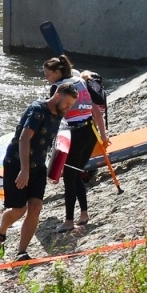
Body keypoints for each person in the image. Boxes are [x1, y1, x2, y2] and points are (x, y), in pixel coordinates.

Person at [0, 81, 79, 260]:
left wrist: (56, 168)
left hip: (38, 166)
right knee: (18, 210)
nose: (68, 108)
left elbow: (51, 143)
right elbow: (24, 139)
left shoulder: (59, 114)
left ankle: (21, 252)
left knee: (36, 206)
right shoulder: (37, 110)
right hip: (17, 164)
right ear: (57, 96)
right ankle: (1, 230)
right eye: (67, 103)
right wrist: (24, 170)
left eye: (71, 105)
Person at [44, 55, 106, 231]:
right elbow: (95, 108)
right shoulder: (80, 80)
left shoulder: (58, 89)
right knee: (77, 173)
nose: (47, 78)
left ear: (58, 72)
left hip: (76, 134)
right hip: (90, 132)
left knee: (70, 178)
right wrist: (103, 134)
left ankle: (69, 221)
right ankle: (84, 214)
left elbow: (54, 118)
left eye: (48, 74)